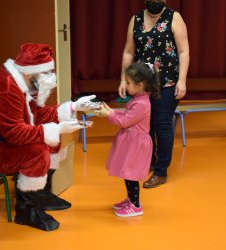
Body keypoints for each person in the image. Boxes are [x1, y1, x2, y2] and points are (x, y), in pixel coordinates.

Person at [0, 43, 97, 231]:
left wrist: (73, 107)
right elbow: (16, 135)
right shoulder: (6, 88)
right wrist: (56, 130)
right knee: (37, 149)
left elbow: (39, 116)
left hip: (0, 139)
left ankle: (42, 193)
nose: (49, 78)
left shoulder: (22, 84)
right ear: (31, 71)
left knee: (51, 137)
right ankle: (26, 210)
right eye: (45, 73)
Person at [118, 0, 189, 188]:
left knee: (162, 125)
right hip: (142, 84)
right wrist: (124, 79)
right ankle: (148, 160)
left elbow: (183, 51)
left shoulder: (174, 17)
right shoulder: (136, 19)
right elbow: (128, 51)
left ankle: (161, 171)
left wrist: (182, 81)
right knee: (144, 126)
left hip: (167, 82)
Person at [95, 61, 160, 217]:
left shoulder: (142, 104)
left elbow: (124, 122)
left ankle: (136, 206)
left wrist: (108, 115)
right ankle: (130, 199)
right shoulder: (138, 99)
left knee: (131, 174)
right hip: (130, 141)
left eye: (129, 83)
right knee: (126, 173)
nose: (126, 85)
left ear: (140, 85)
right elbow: (126, 116)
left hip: (136, 144)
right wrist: (110, 110)